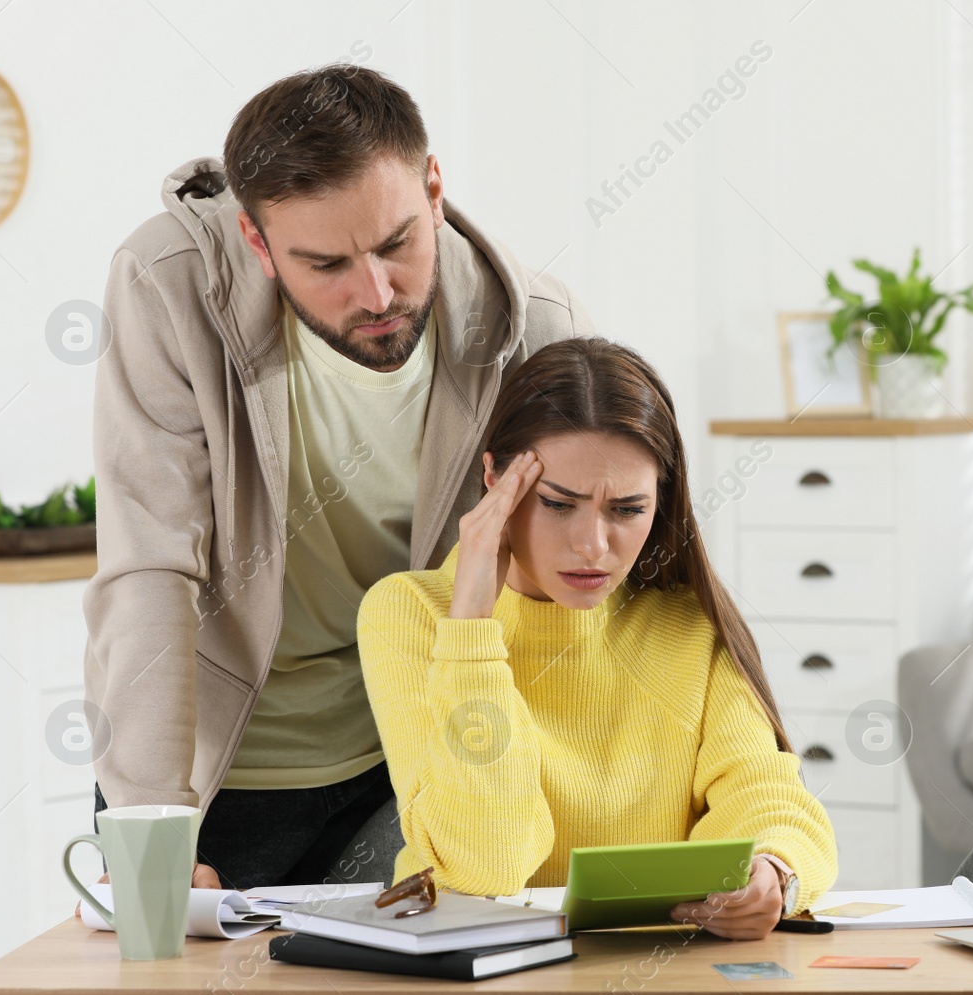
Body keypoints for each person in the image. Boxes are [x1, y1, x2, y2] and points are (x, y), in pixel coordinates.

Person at [82, 62, 593, 898]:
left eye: (397, 243)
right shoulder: (166, 284)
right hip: (208, 773)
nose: (378, 292)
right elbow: (148, 565)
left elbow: (596, 586)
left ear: (434, 188)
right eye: (325, 265)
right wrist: (151, 821)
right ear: (258, 242)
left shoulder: (534, 328)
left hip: (408, 764)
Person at [357, 337, 838, 940]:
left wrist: (772, 871)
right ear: (493, 481)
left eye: (628, 510)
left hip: (657, 977)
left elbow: (764, 796)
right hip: (475, 978)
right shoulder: (411, 615)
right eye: (559, 503)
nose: (593, 545)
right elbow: (490, 862)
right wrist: (473, 630)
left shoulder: (687, 621)